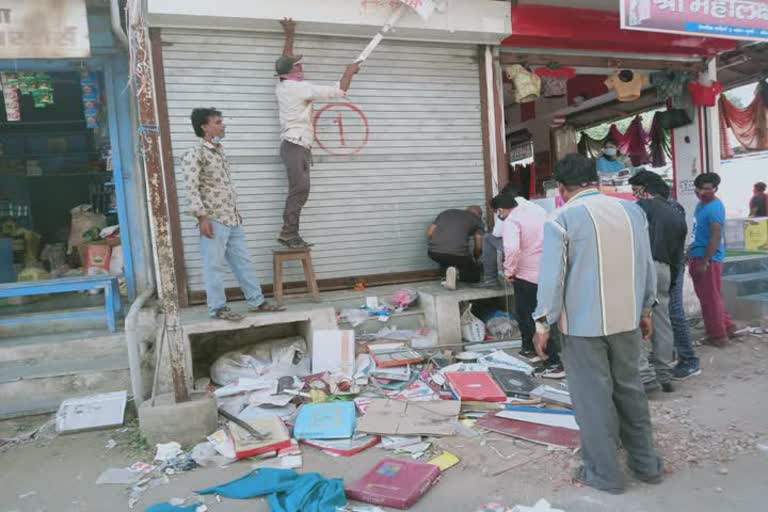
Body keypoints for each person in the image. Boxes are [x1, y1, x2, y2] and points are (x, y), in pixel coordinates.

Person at [533, 154, 662, 494]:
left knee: (593, 399)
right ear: (596, 179)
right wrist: (646, 309)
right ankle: (647, 464)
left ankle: (605, 473)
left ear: (560, 188)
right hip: (627, 319)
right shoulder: (632, 211)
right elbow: (646, 263)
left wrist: (542, 323)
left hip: (581, 327)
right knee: (630, 390)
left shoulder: (560, 218)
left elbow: (551, 280)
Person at [181, 108, 284, 321]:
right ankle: (217, 308)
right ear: (204, 127)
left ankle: (256, 300)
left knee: (243, 261)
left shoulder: (219, 151)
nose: (223, 125)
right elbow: (191, 188)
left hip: (232, 217)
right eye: (218, 122)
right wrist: (201, 217)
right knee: (214, 265)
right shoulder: (195, 153)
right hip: (214, 219)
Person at [275, 18, 361, 249]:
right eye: (298, 65)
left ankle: (290, 232)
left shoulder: (284, 82)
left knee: (300, 189)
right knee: (300, 189)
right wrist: (349, 72)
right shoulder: (299, 88)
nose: (301, 66)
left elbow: (285, 59)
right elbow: (340, 90)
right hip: (295, 145)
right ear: (291, 72)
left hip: (296, 146)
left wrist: (290, 34)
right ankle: (288, 233)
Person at [495, 193, 565, 378]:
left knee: (530, 317)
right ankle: (532, 350)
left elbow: (511, 249)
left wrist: (509, 271)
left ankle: (553, 361)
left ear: (500, 210)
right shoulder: (537, 210)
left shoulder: (512, 221)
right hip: (549, 271)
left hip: (527, 275)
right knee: (545, 315)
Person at [629, 171, 687, 393]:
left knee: (635, 320)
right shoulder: (676, 213)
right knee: (662, 321)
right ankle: (665, 375)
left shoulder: (642, 208)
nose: (635, 196)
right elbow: (678, 253)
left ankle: (645, 375)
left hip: (644, 268)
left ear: (645, 189)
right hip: (666, 270)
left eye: (636, 191)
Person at [689, 173, 735, 347]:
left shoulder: (715, 207)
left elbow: (715, 235)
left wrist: (705, 261)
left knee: (709, 298)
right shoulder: (701, 206)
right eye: (700, 188)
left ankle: (717, 336)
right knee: (712, 295)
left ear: (715, 189)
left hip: (708, 258)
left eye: (708, 188)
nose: (703, 191)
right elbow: (698, 232)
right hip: (699, 254)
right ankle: (727, 326)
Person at [427, 206, 485, 290]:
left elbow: (430, 232)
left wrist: (436, 245)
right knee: (475, 274)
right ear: (478, 215)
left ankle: (445, 276)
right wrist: (476, 256)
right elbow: (478, 245)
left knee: (447, 259)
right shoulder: (477, 220)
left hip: (433, 253)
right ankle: (457, 275)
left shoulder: (446, 213)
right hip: (457, 255)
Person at [479, 183, 519, 289]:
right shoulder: (535, 208)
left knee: (488, 238)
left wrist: (509, 271)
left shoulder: (509, 211)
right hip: (537, 249)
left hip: (521, 249)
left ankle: (490, 280)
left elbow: (496, 233)